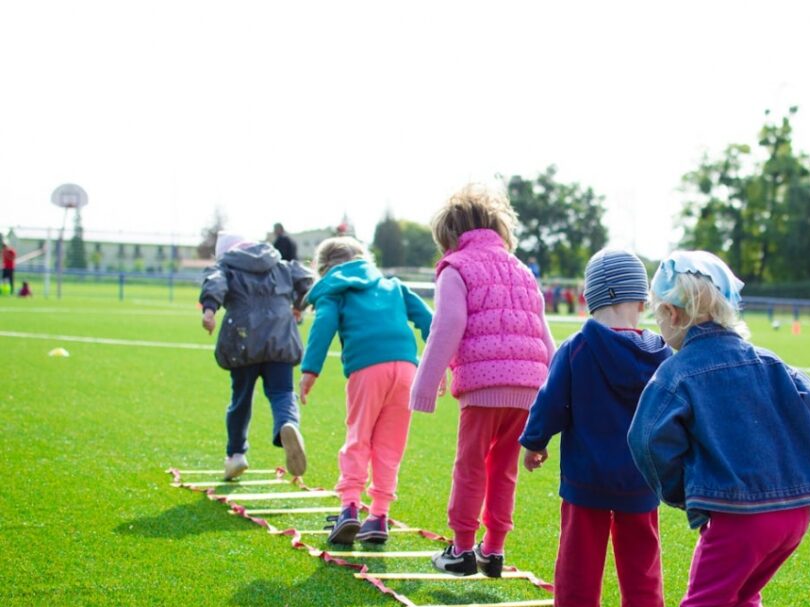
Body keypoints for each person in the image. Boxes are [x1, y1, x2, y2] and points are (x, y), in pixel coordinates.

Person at [628, 250, 810, 607]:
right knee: (743, 597)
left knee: (703, 606)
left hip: (739, 517)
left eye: (658, 315)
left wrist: (682, 491)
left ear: (672, 313)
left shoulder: (677, 371)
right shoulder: (771, 360)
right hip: (794, 516)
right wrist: (800, 470)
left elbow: (646, 438)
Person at [520, 249, 672, 607]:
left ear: (588, 299)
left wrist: (535, 442)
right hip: (642, 476)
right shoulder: (663, 354)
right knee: (642, 549)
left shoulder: (577, 348)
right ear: (642, 302)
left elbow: (551, 401)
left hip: (586, 475)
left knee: (579, 551)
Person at [410, 183, 555, 577]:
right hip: (529, 388)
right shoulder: (523, 270)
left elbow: (448, 324)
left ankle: (460, 550)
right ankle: (493, 549)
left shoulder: (455, 268)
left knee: (470, 465)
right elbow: (544, 334)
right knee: (503, 468)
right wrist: (556, 395)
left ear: (451, 236)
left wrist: (426, 383)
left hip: (483, 386)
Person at [299, 237, 432, 544]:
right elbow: (430, 321)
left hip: (367, 368)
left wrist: (310, 370)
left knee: (358, 437)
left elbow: (324, 325)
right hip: (406, 369)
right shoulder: (394, 286)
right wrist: (439, 365)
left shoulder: (335, 290)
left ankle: (349, 508)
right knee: (390, 444)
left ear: (323, 269)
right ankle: (379, 516)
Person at [200, 232, 314, 481]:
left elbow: (215, 282)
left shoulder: (227, 266)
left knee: (241, 398)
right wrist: (298, 305)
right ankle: (287, 424)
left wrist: (209, 310)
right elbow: (307, 280)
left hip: (243, 340)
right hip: (281, 337)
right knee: (282, 392)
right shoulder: (279, 263)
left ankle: (236, 455)